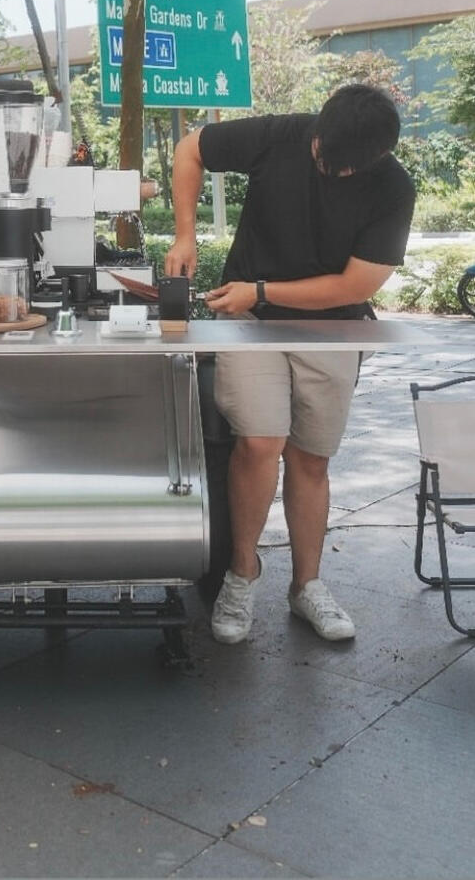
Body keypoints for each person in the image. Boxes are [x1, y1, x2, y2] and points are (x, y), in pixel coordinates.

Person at [164, 84, 415, 645]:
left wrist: (261, 289)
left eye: (346, 168)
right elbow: (191, 149)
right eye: (324, 154)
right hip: (250, 324)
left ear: (378, 157)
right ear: (318, 129)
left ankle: (307, 587)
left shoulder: (394, 187)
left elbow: (354, 284)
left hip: (334, 326)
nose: (331, 170)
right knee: (259, 441)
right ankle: (241, 573)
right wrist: (186, 234)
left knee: (311, 458)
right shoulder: (284, 135)